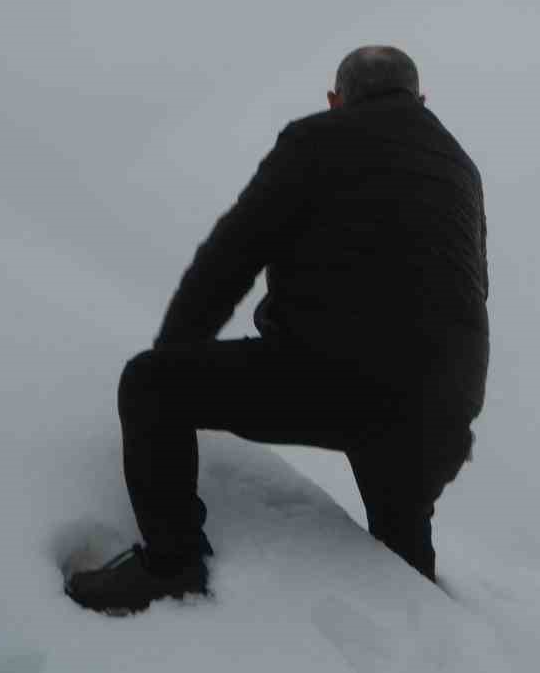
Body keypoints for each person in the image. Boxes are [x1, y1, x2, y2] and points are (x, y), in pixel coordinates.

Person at [66, 46, 489, 615]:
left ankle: (172, 564)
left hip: (335, 380)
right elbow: (469, 291)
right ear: (421, 99)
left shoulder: (315, 140)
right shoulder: (461, 168)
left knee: (149, 385)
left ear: (337, 100)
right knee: (400, 544)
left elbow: (229, 259)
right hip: (444, 407)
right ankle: (426, 627)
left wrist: (174, 361)